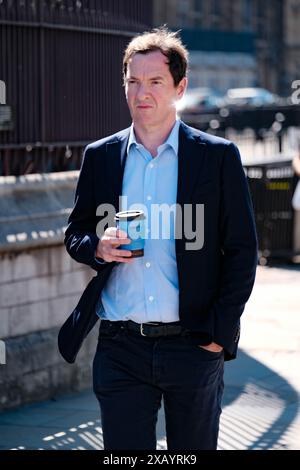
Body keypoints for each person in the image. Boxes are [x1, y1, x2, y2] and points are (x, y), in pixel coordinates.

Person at [59, 27, 258, 450]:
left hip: (193, 344)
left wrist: (220, 334)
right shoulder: (101, 157)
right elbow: (75, 232)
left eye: (154, 82)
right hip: (120, 346)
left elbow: (242, 251)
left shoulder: (217, 157)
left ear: (179, 87)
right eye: (132, 81)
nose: (140, 92)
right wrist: (96, 246)